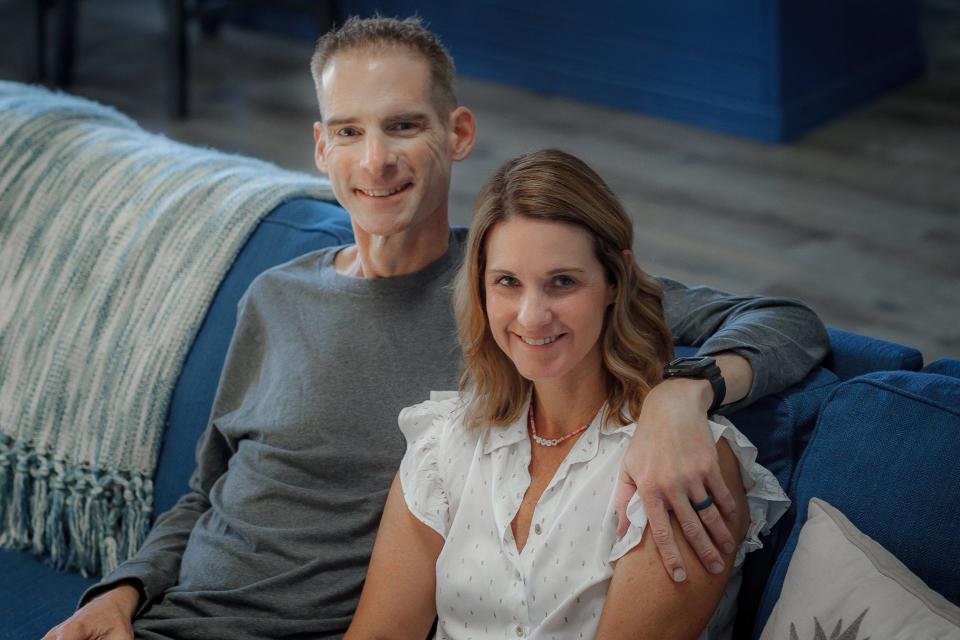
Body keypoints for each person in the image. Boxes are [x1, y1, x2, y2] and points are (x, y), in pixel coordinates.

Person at [45, 16, 827, 640]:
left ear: (457, 134)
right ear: (321, 147)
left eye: (402, 127)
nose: (375, 160)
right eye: (348, 131)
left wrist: (684, 395)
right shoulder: (273, 296)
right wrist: (124, 590)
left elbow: (786, 322)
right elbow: (203, 494)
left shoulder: (509, 302)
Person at [347, 149, 791, 639]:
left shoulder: (681, 462)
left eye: (562, 282)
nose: (532, 315)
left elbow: (789, 322)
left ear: (614, 282)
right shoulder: (443, 443)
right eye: (508, 282)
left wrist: (684, 391)